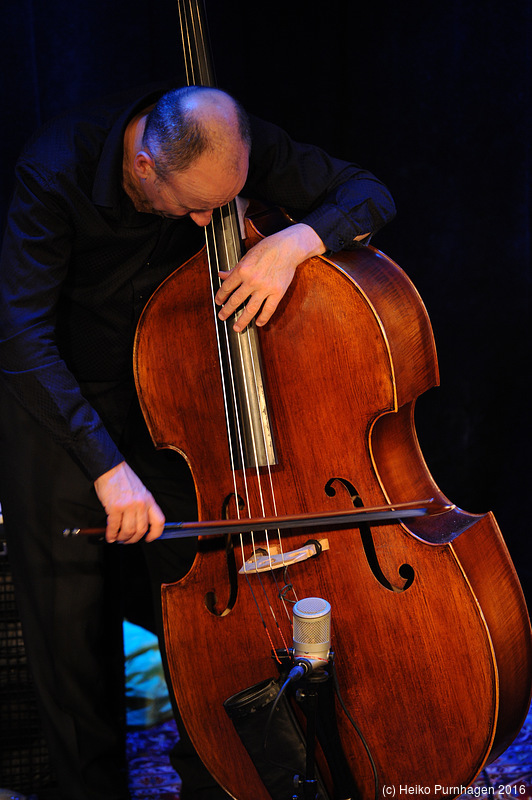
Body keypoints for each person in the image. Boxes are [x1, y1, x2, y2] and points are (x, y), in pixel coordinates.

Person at [0, 83, 395, 800]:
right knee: (73, 643)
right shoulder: (54, 169)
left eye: (227, 200)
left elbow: (368, 193)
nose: (214, 221)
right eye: (198, 208)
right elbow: (21, 340)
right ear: (146, 164)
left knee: (210, 624)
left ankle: (214, 781)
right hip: (60, 406)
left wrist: (290, 244)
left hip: (180, 407)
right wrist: (108, 468)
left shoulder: (223, 145)